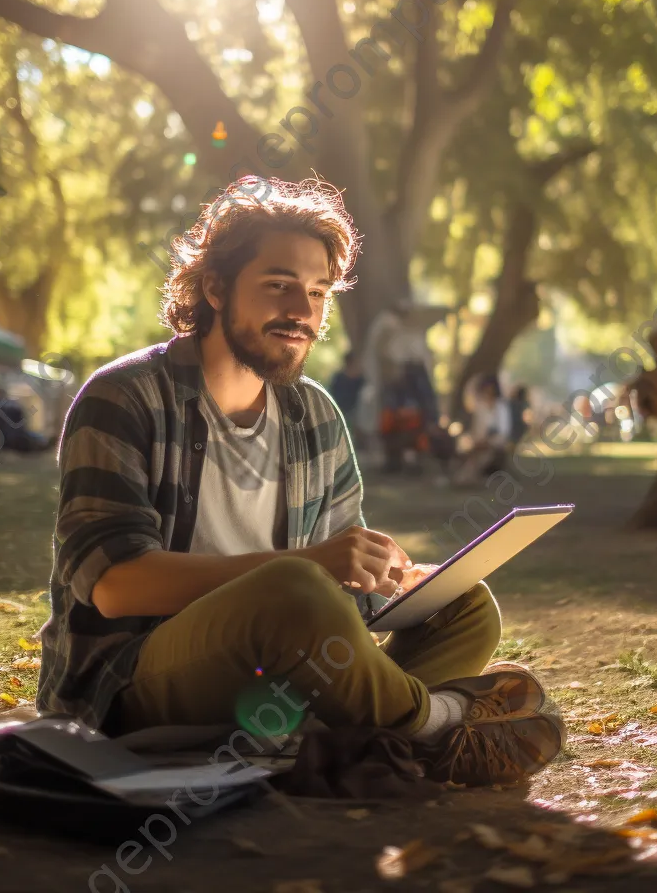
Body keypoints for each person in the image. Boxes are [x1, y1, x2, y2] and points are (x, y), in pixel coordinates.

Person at [37, 177, 563, 788]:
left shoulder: (313, 414)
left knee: (465, 607)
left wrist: (390, 579)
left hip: (273, 677)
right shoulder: (124, 398)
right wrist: (307, 564)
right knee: (291, 585)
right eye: (279, 286)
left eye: (318, 292)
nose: (302, 312)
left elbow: (334, 584)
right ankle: (440, 725)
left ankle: (365, 738)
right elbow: (115, 587)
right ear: (214, 287)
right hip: (133, 686)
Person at [453, 375, 514, 486]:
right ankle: (467, 476)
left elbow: (503, 431)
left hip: (495, 441)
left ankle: (469, 476)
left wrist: (487, 440)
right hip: (479, 440)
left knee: (483, 453)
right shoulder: (480, 408)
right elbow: (477, 428)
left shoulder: (501, 408)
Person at [328, 350, 365, 446]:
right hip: (342, 409)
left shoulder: (360, 378)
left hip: (356, 411)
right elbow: (332, 393)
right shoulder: (339, 377)